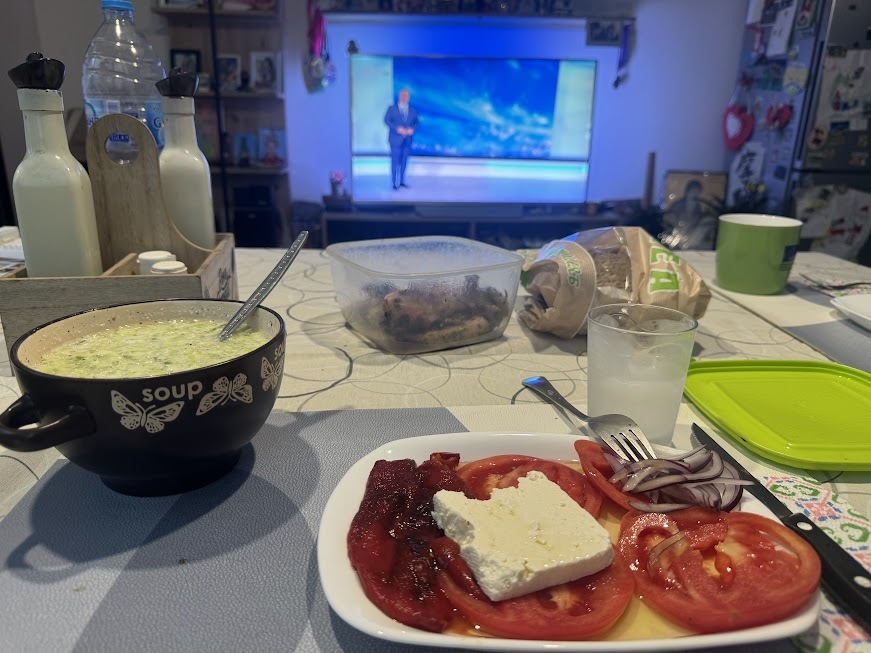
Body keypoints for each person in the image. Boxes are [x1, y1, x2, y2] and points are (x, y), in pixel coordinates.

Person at [384, 89, 419, 190]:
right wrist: (397, 128)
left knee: (404, 161)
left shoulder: (412, 110)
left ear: (408, 98)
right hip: (395, 140)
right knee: (395, 161)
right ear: (400, 96)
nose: (404, 97)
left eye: (406, 96)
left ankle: (402, 181)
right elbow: (386, 120)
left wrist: (412, 129)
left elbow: (417, 123)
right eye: (403, 95)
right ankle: (394, 183)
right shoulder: (392, 109)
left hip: (407, 140)